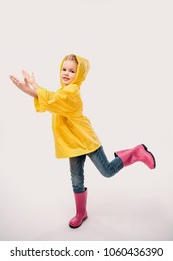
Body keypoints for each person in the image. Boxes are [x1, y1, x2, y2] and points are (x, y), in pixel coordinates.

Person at [9, 54, 156, 229]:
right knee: (76, 179)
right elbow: (51, 99)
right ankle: (81, 213)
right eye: (64, 69)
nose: (66, 73)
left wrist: (32, 88)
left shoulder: (72, 92)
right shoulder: (62, 91)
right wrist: (32, 87)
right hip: (72, 145)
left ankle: (136, 152)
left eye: (72, 71)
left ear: (78, 75)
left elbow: (53, 100)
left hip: (86, 140)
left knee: (107, 171)